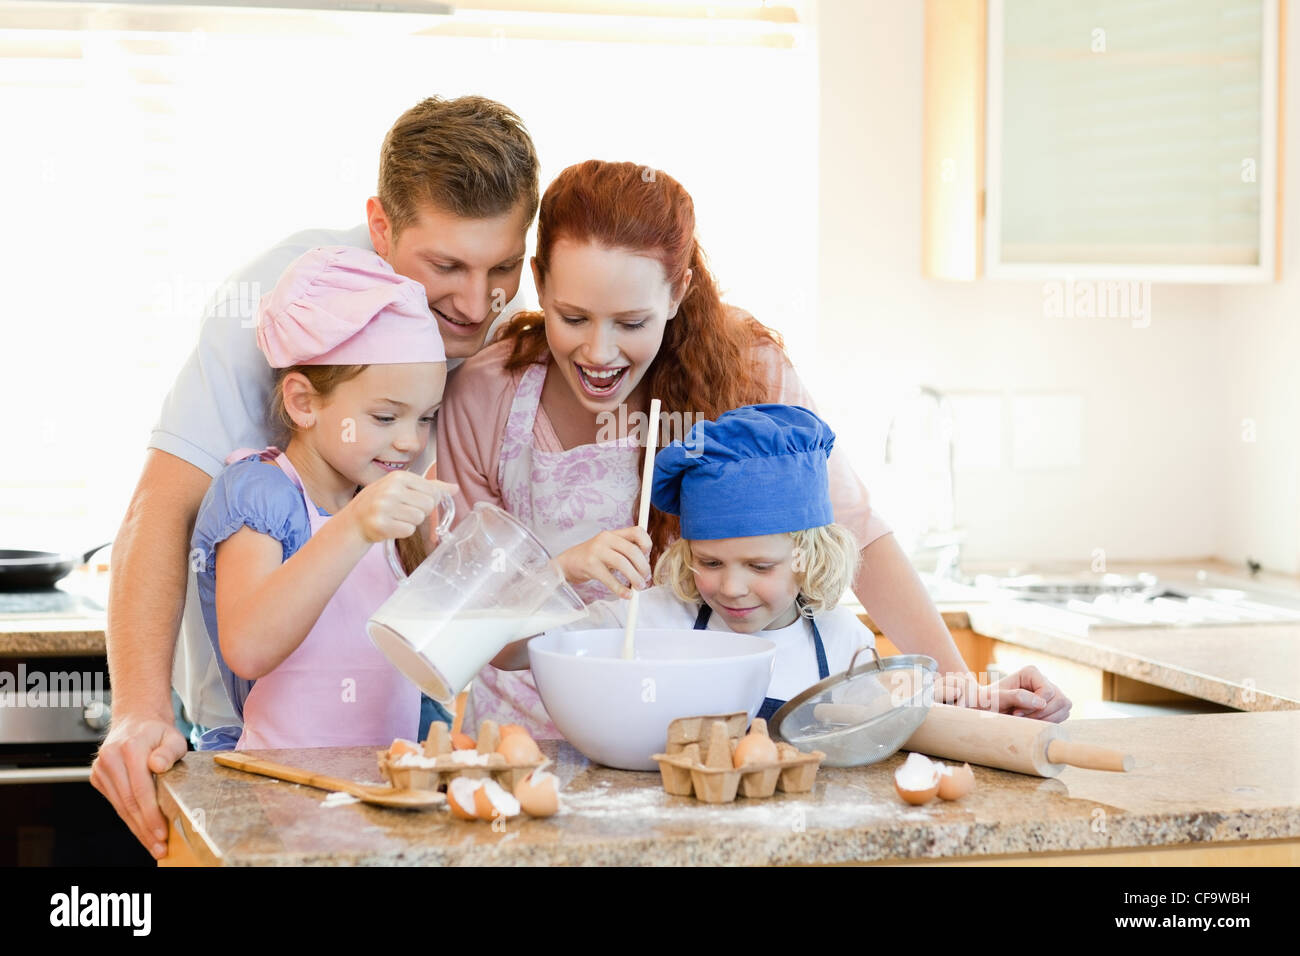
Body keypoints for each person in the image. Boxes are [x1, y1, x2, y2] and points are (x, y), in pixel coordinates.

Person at [437, 160, 1068, 736]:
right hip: (528, 746)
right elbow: (473, 620)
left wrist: (963, 691)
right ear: (539, 281)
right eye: (573, 317)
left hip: (716, 742)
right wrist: (565, 568)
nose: (599, 354)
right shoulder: (486, 395)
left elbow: (852, 530)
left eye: (632, 323)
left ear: (677, 291)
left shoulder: (748, 373)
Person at [91, 96, 539, 857]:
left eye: (503, 265)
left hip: (393, 740)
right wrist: (137, 708)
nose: (477, 303)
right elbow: (161, 508)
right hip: (256, 736)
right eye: (446, 267)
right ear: (381, 227)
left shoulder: (506, 317)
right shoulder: (283, 309)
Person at [191, 247, 455, 750]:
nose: (410, 442)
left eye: (425, 417)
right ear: (303, 402)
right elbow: (246, 648)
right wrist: (355, 527)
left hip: (379, 791)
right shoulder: (262, 492)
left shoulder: (384, 504)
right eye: (385, 417)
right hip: (276, 791)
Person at [490, 404, 882, 729]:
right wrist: (559, 571)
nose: (731, 587)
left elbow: (878, 736)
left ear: (811, 556)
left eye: (760, 566)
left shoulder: (844, 641)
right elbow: (504, 653)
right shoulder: (653, 619)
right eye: (710, 562)